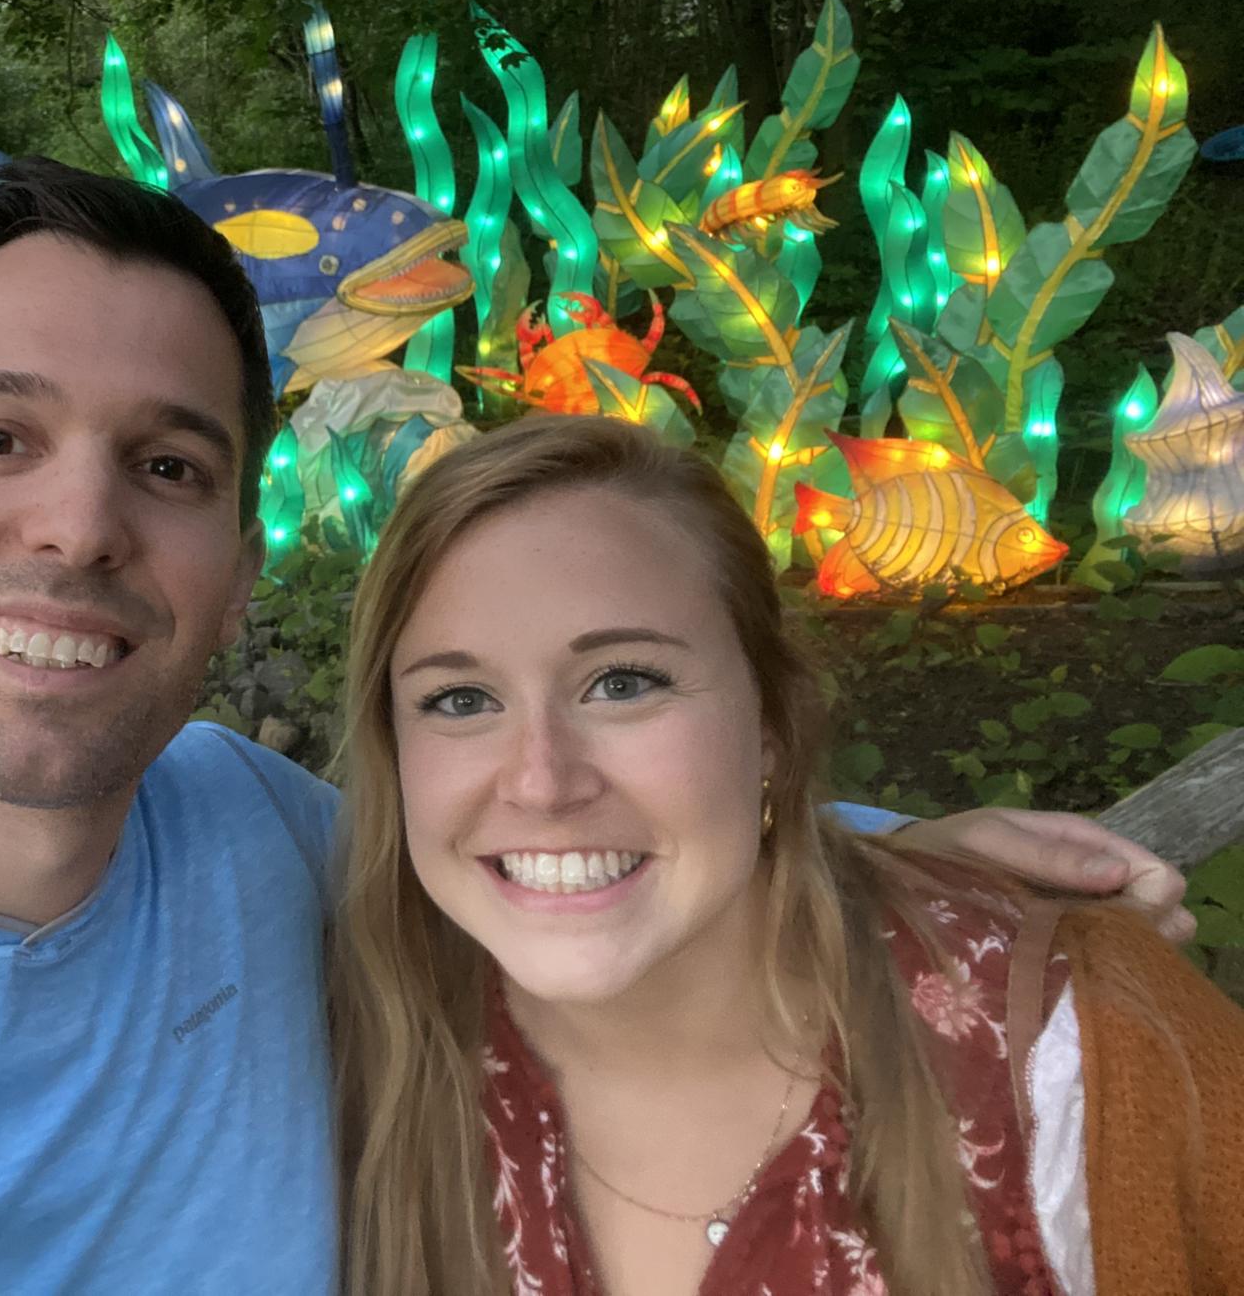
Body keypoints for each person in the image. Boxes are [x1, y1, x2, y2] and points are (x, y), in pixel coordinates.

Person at [0, 160, 1192, 1294]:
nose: (77, 523)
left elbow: (519, 822)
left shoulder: (240, 823)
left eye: (162, 464)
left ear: (236, 557)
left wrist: (847, 842)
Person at [332, 414, 1244, 1296]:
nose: (541, 782)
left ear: (772, 724)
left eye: (623, 683)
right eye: (459, 700)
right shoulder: (362, 1056)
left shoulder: (1075, 1055)